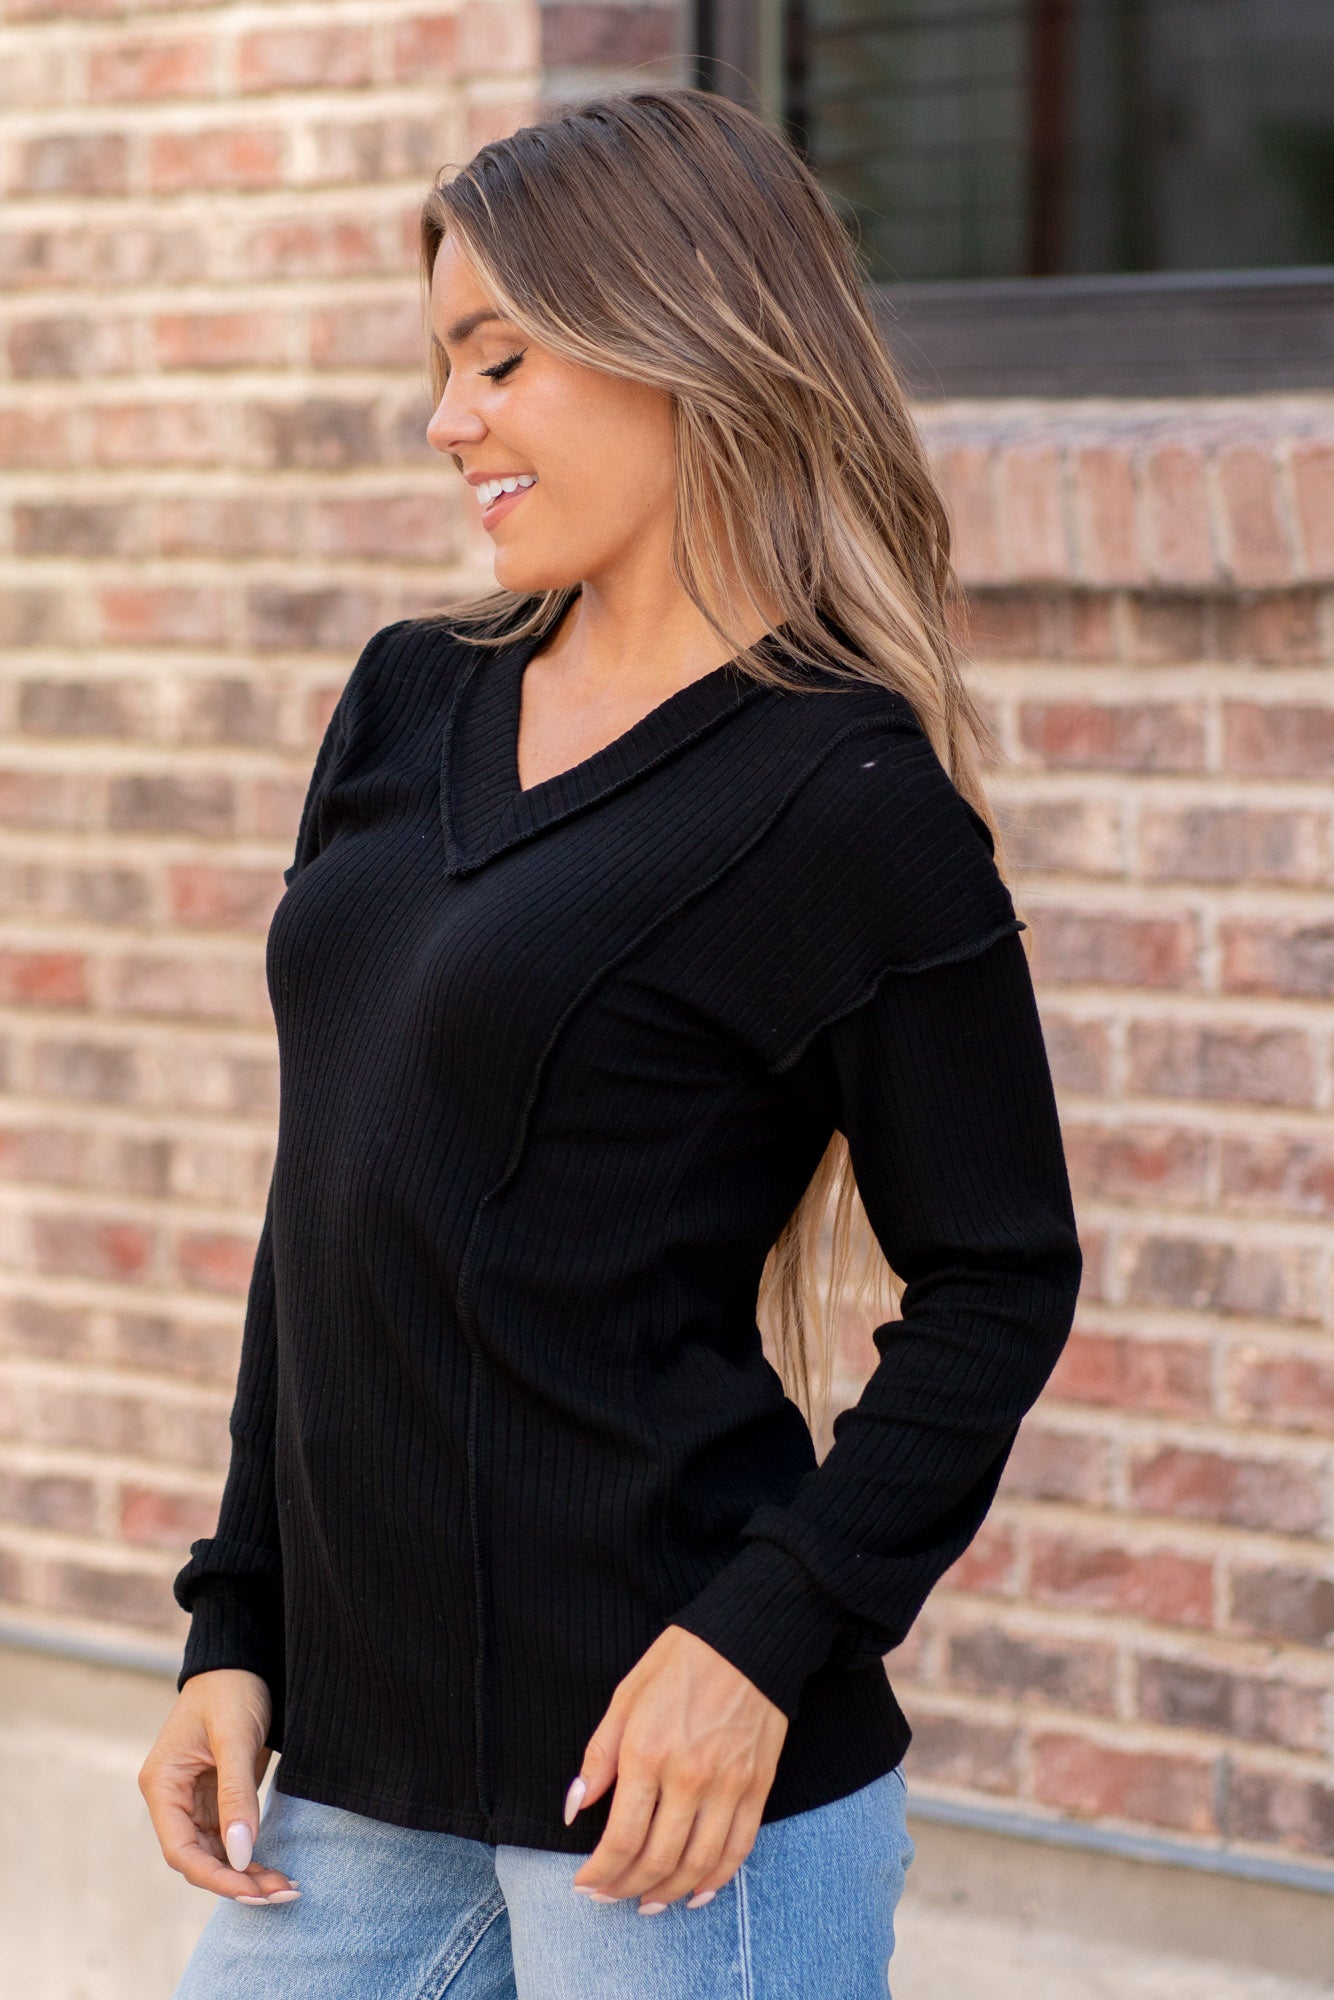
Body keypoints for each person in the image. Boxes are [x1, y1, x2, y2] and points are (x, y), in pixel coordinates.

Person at [140, 85, 1082, 2000]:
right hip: (362, 1775)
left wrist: (761, 1642)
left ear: (684, 341)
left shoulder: (843, 800)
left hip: (666, 1804)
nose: (448, 418)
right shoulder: (410, 696)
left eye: (501, 359)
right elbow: (333, 1196)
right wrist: (236, 1618)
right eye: (441, 364)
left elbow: (1000, 1277)